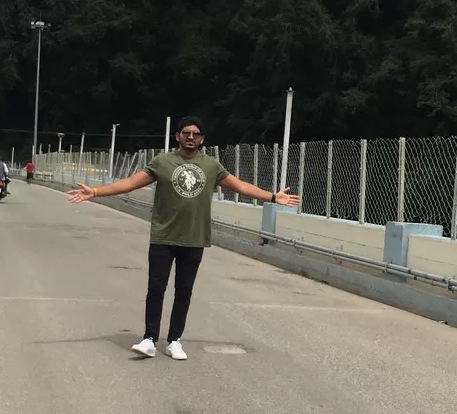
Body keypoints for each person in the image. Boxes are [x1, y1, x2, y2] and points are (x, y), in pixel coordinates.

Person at [68, 117, 300, 361]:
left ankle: (174, 341)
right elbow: (130, 183)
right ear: (177, 136)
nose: (191, 137)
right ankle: (149, 339)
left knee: (184, 291)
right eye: (186, 133)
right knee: (156, 288)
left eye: (195, 134)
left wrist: (272, 197)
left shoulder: (211, 165)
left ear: (202, 139)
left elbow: (240, 186)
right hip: (163, 236)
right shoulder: (162, 162)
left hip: (194, 238)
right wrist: (95, 192)